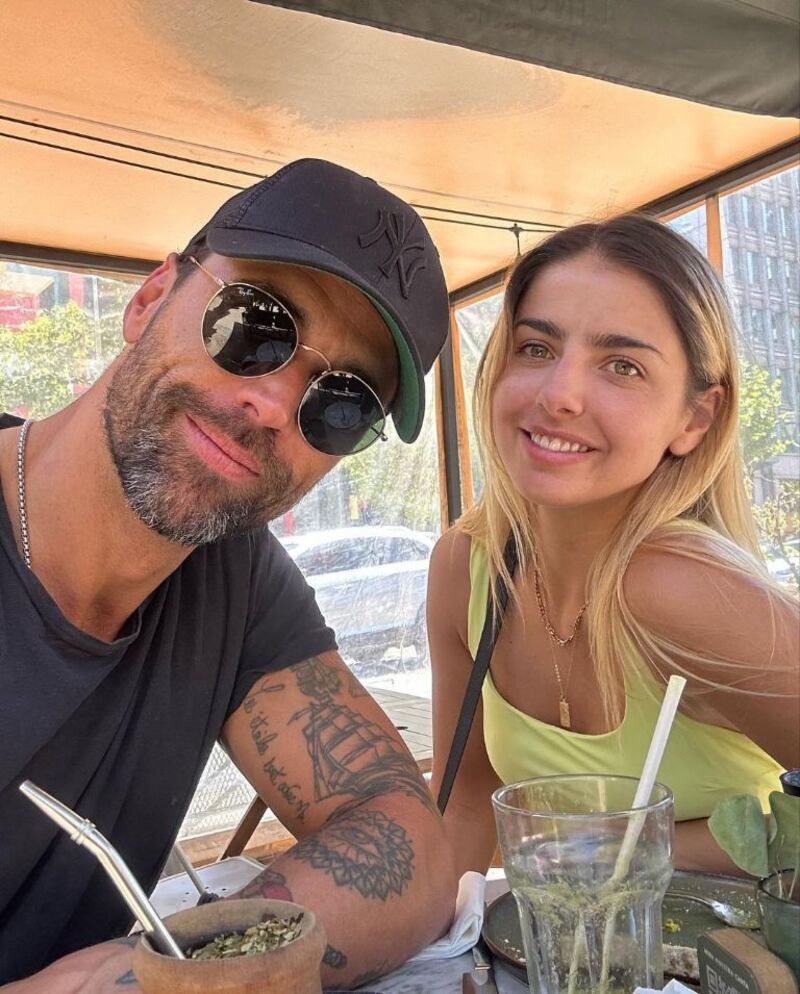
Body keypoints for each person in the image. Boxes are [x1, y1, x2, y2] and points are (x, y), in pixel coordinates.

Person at [0, 158, 457, 990]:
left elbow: (411, 844)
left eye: (342, 403)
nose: (274, 406)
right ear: (150, 299)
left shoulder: (233, 579)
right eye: (255, 324)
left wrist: (151, 977)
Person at [428, 214, 799, 881]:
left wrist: (625, 849)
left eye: (622, 366)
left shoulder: (681, 588)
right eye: (536, 348)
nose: (558, 395)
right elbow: (464, 808)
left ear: (695, 418)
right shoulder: (467, 565)